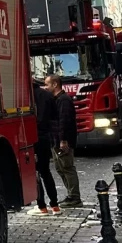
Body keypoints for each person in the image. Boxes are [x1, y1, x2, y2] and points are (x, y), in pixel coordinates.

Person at [45, 74, 82, 206]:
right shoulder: (56, 99)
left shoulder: (63, 100)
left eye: (47, 84)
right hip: (55, 139)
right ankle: (70, 194)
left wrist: (63, 140)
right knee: (60, 168)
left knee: (67, 167)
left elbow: (64, 121)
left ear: (55, 84)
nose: (45, 87)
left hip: (62, 140)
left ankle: (74, 197)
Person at [33, 80, 60, 214]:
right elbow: (55, 117)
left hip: (31, 138)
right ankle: (55, 204)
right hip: (45, 137)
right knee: (46, 172)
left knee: (35, 173)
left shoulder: (24, 96)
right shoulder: (47, 95)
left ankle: (42, 206)